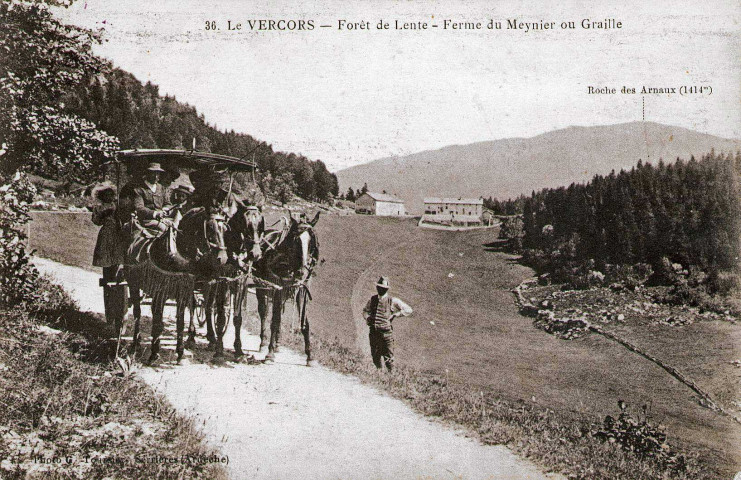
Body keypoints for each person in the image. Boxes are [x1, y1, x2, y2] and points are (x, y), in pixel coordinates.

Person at [362, 276, 413, 371]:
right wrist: (367, 317)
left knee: (389, 359)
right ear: (377, 288)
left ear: (386, 289)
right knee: (375, 357)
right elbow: (365, 311)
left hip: (386, 335)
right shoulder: (372, 300)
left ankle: (391, 378)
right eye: (379, 287)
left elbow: (408, 310)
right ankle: (379, 375)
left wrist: (395, 315)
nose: (381, 289)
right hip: (374, 333)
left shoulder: (393, 301)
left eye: (383, 288)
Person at [132, 161, 173, 233]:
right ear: (147, 174)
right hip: (146, 220)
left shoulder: (162, 188)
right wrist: (155, 213)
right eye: (153, 173)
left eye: (158, 174)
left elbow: (168, 203)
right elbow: (139, 208)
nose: (156, 176)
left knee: (176, 227)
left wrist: (165, 209)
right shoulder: (139, 189)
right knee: (164, 229)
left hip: (162, 218)